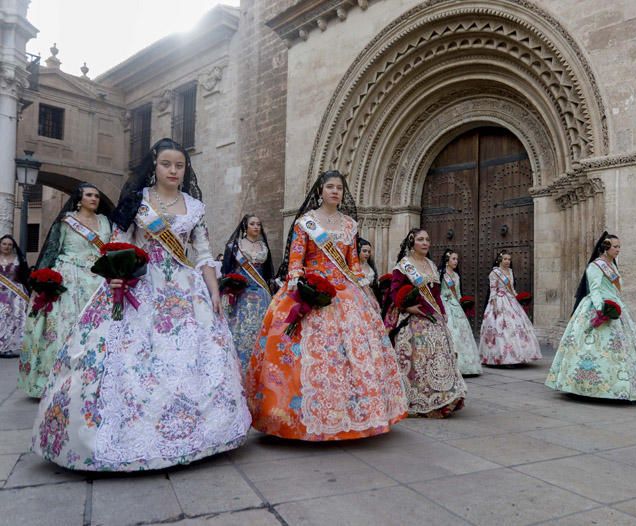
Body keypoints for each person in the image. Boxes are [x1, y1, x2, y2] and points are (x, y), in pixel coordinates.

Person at [31, 138, 250, 471]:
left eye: (179, 165)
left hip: (185, 292)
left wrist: (214, 291)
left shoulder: (194, 206)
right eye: (167, 164)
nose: (173, 170)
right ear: (155, 165)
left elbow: (204, 253)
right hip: (139, 286)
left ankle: (199, 434)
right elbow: (118, 243)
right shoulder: (137, 202)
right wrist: (116, 275)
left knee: (192, 357)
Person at [246, 170, 407, 441]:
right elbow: (296, 260)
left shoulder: (349, 226)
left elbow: (353, 263)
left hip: (346, 293)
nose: (335, 191)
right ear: (320, 190)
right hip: (312, 288)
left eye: (339, 188)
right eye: (330, 187)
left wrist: (363, 289)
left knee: (353, 352)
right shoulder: (306, 223)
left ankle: (357, 414)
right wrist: (299, 284)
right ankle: (295, 416)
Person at [17, 183, 112, 397]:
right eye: (89, 195)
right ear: (79, 198)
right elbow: (52, 249)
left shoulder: (105, 222)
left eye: (97, 196)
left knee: (97, 331)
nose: (94, 199)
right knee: (64, 329)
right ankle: (58, 380)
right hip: (70, 280)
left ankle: (93, 379)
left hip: (98, 282)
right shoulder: (67, 222)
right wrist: (42, 282)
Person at [545, 232, 636, 400]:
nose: (618, 250)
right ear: (606, 247)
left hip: (615, 306)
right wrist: (602, 311)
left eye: (619, 247)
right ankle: (588, 386)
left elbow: (615, 288)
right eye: (615, 247)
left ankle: (624, 385)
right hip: (599, 307)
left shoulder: (613, 265)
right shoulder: (596, 265)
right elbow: (594, 290)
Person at [386, 229, 466, 418]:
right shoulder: (404, 266)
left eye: (427, 240)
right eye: (420, 239)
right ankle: (418, 399)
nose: (425, 243)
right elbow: (394, 291)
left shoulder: (430, 265)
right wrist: (407, 308)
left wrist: (443, 313)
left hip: (433, 318)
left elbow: (436, 294)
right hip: (413, 319)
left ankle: (444, 397)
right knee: (419, 360)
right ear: (412, 243)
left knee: (440, 357)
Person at [221, 214, 274, 373]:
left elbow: (267, 273)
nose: (256, 227)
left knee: (260, 331)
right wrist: (230, 289)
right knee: (241, 332)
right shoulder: (235, 247)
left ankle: (259, 369)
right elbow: (227, 270)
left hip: (261, 295)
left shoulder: (263, 247)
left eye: (258, 224)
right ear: (245, 226)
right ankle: (238, 368)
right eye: (252, 224)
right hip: (241, 295)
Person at [478, 249, 542, 366]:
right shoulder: (495, 273)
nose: (507, 261)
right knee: (502, 328)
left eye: (509, 259)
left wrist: (519, 297)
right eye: (505, 259)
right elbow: (493, 290)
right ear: (500, 260)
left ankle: (519, 356)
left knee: (517, 327)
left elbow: (512, 289)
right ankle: (502, 357)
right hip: (499, 300)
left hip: (511, 300)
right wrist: (495, 305)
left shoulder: (510, 272)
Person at [438, 249, 482, 376]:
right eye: (453, 259)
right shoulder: (441, 274)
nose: (456, 261)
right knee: (451, 331)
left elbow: (458, 293)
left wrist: (463, 303)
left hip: (455, 305)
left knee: (462, 333)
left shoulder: (457, 276)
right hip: (445, 305)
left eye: (457, 259)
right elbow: (437, 291)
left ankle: (467, 364)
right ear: (447, 260)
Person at [0, 235, 29, 359]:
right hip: (0, 293)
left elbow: (26, 276)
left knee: (14, 320)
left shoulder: (19, 259)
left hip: (15, 294)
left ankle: (9, 347)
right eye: (4, 244)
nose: (7, 246)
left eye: (9, 244)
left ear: (13, 247)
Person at [357, 237, 380, 301]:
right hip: (359, 297)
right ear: (358, 250)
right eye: (364, 251)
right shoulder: (354, 267)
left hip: (371, 296)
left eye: (369, 252)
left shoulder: (370, 265)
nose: (367, 254)